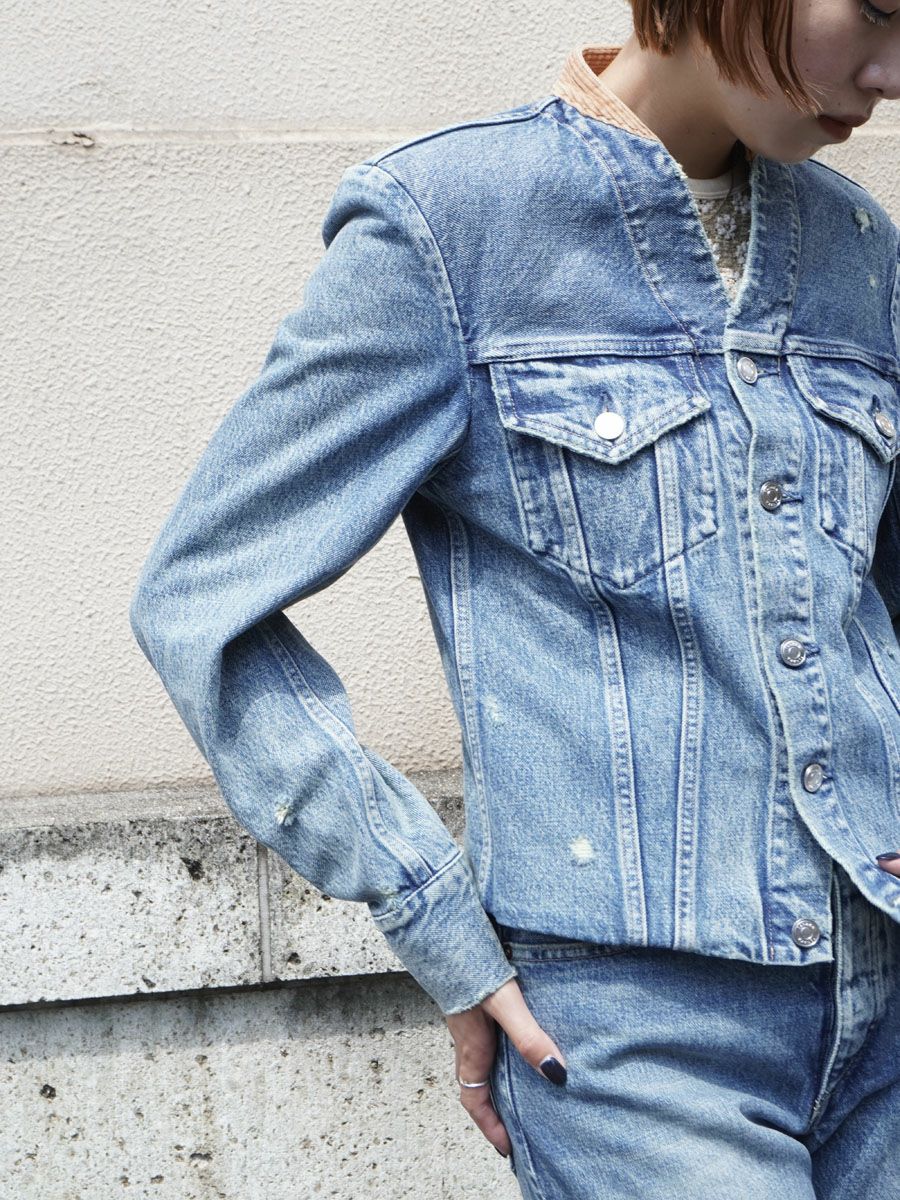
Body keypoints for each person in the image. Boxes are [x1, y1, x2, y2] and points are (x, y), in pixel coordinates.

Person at [129, 1, 900, 1194]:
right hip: (638, 1041)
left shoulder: (858, 249)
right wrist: (435, 918)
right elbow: (201, 600)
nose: (890, 74)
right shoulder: (451, 227)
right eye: (879, 12)